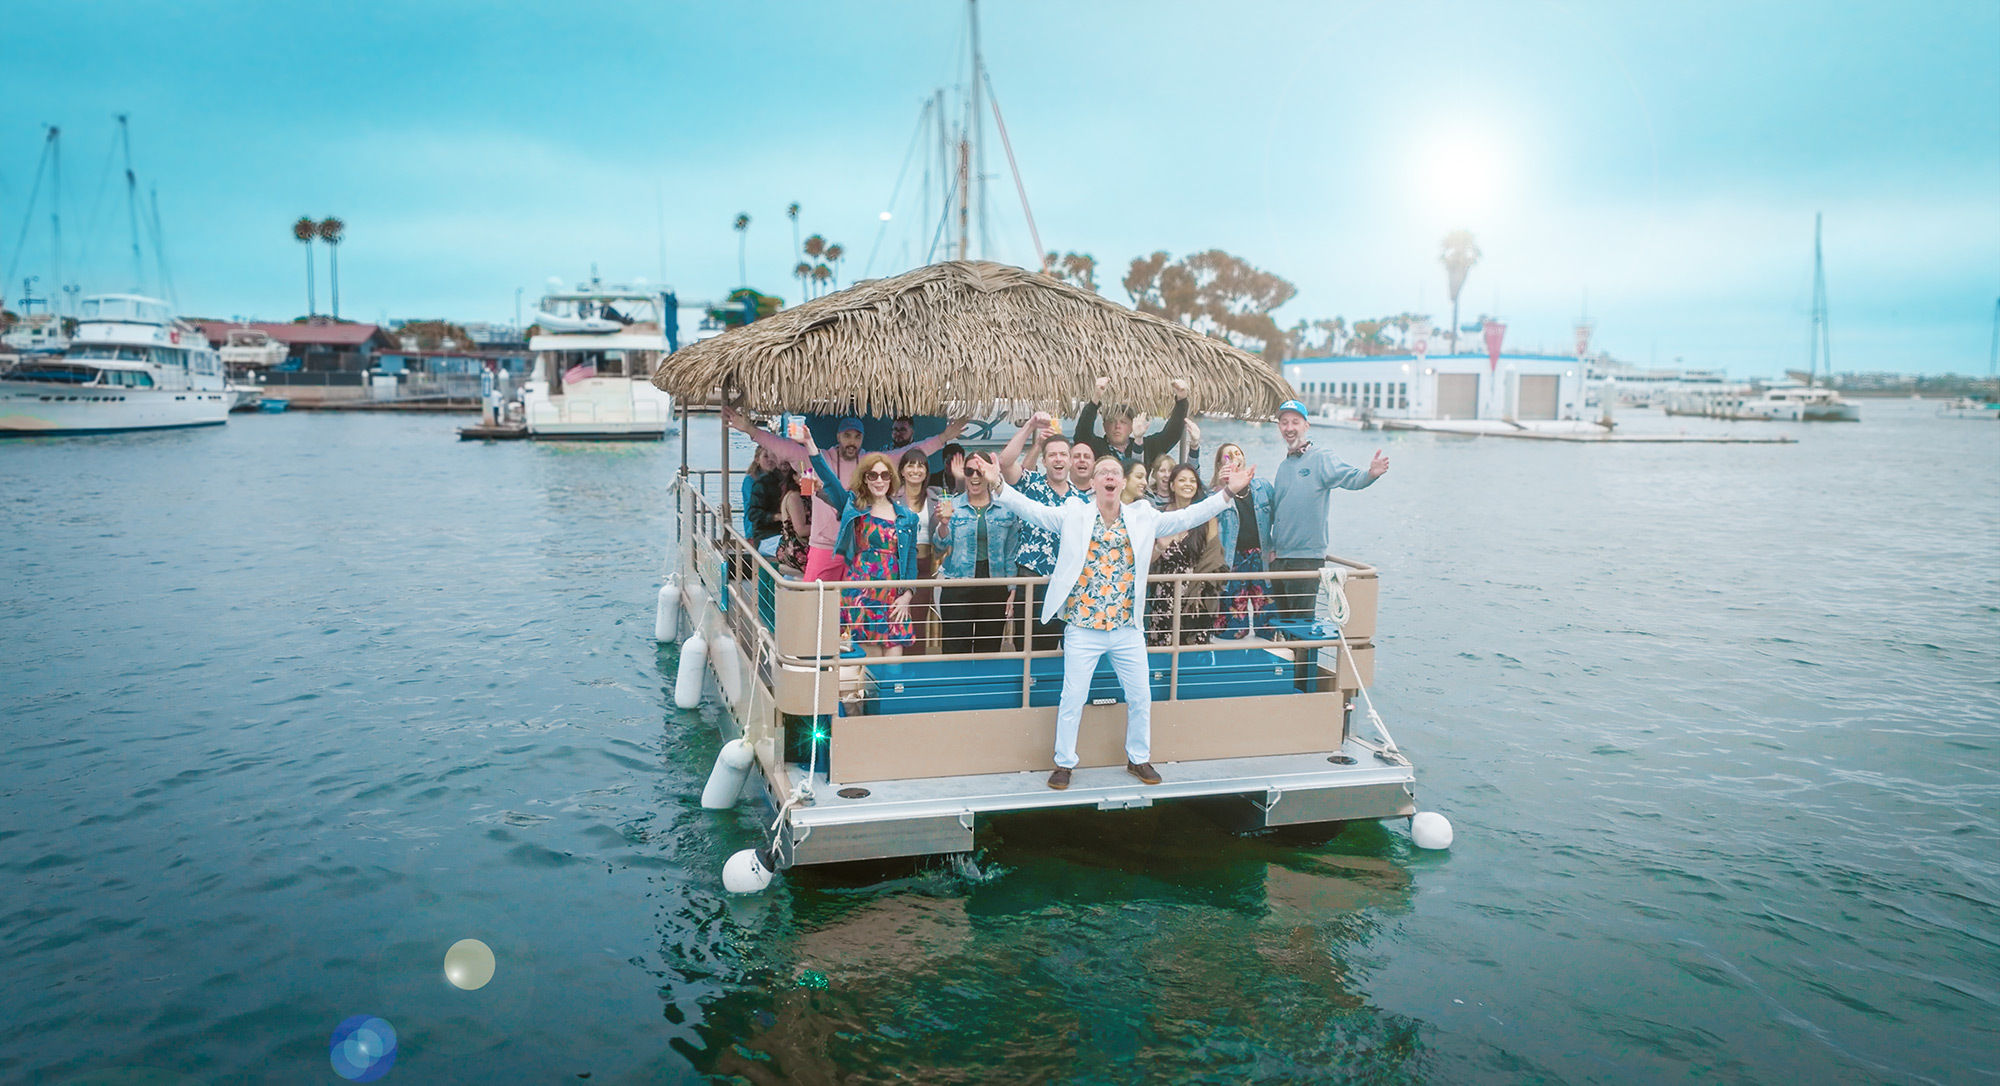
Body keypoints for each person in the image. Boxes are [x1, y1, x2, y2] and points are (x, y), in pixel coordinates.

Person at [978, 451, 1254, 790]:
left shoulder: (1144, 517)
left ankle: (1138, 758)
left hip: (1126, 629)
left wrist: (1226, 494)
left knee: (1140, 696)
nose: (1109, 476)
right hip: (1083, 626)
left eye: (1114, 472)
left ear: (1122, 483)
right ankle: (1064, 763)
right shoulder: (1073, 514)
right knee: (1072, 697)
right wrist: (998, 484)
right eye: (1102, 472)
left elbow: (1188, 516)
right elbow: (1032, 510)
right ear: (1093, 483)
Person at [724, 408, 964, 582]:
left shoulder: (869, 461)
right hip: (823, 546)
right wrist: (750, 430)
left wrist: (943, 438)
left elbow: (907, 453)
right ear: (839, 437)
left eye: (857, 436)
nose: (852, 441)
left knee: (851, 607)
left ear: (862, 439)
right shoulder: (820, 458)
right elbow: (782, 446)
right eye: (847, 435)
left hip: (858, 547)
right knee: (812, 601)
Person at [1267, 399, 1389, 626]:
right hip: (1279, 560)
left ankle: (1303, 664)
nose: (1289, 428)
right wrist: (1272, 549)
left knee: (1302, 627)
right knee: (1283, 625)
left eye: (1295, 422)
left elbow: (1351, 478)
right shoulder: (1284, 466)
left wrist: (1370, 474)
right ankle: (1288, 663)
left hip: (1305, 560)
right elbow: (1278, 511)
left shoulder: (1321, 457)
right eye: (1284, 423)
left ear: (1306, 426)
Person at [800, 430, 919, 657]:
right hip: (861, 595)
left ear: (892, 479)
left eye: (884, 475)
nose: (879, 480)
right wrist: (811, 445)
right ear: (864, 479)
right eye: (872, 476)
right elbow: (830, 481)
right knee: (871, 668)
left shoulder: (907, 517)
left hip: (893, 597)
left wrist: (907, 596)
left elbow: (910, 560)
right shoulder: (854, 507)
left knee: (894, 669)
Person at [998, 412, 1084, 651]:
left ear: (1070, 461)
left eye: (1063, 454)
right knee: (1033, 648)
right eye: (1052, 455)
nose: (1058, 459)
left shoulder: (1081, 498)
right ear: (1044, 461)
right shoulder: (1030, 484)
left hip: (1069, 581)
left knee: (1072, 648)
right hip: (1033, 578)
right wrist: (1030, 427)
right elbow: (1004, 463)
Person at [932, 453, 1021, 654]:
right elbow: (938, 548)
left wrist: (1012, 589)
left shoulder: (1006, 508)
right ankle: (956, 686)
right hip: (958, 584)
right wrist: (943, 525)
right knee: (955, 651)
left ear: (989, 474)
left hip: (994, 584)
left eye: (980, 471)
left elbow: (1010, 555)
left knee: (988, 650)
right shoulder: (952, 505)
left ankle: (984, 687)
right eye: (969, 471)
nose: (974, 476)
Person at [1146, 464, 1226, 646]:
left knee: (1193, 649)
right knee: (1162, 646)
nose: (1188, 484)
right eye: (1182, 480)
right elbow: (1148, 559)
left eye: (1192, 481)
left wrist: (1198, 590)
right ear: (1172, 485)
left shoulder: (1206, 518)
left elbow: (1213, 558)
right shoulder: (1161, 517)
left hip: (1195, 594)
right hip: (1164, 593)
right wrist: (1159, 547)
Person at [1210, 441, 1275, 637]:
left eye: (1237, 453)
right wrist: (1223, 487)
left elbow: (1278, 516)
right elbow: (1206, 519)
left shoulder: (1262, 486)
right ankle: (1231, 656)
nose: (1234, 457)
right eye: (1228, 455)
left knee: (1267, 618)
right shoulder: (1216, 493)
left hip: (1260, 557)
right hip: (1233, 559)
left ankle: (1268, 653)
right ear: (1221, 464)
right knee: (1233, 622)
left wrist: (1275, 547)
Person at [1073, 375, 1192, 469]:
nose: (1117, 426)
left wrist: (1181, 400)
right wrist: (1095, 398)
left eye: (1123, 422)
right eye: (1112, 421)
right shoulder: (1095, 447)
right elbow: (1082, 434)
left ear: (1131, 427)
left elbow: (1171, 434)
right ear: (1104, 426)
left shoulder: (1146, 447)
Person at [893, 448, 944, 652]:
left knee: (918, 621)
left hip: (925, 566)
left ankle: (914, 673)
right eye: (911, 465)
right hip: (898, 566)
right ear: (902, 471)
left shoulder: (936, 496)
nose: (916, 470)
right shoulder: (891, 497)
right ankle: (895, 672)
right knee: (897, 618)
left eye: (920, 465)